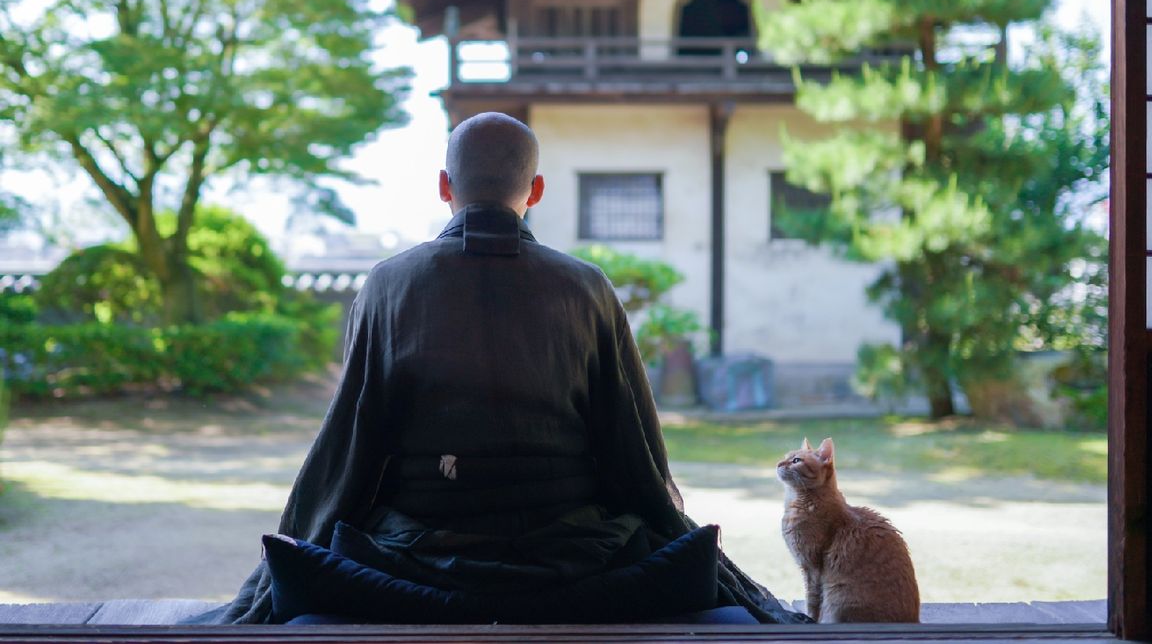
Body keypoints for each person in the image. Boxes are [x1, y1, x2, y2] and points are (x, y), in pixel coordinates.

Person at [205, 112, 805, 625]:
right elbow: (634, 455)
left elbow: (349, 450)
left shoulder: (390, 285)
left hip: (416, 560)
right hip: (574, 559)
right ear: (536, 189)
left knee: (327, 554)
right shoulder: (586, 288)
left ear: (444, 185)